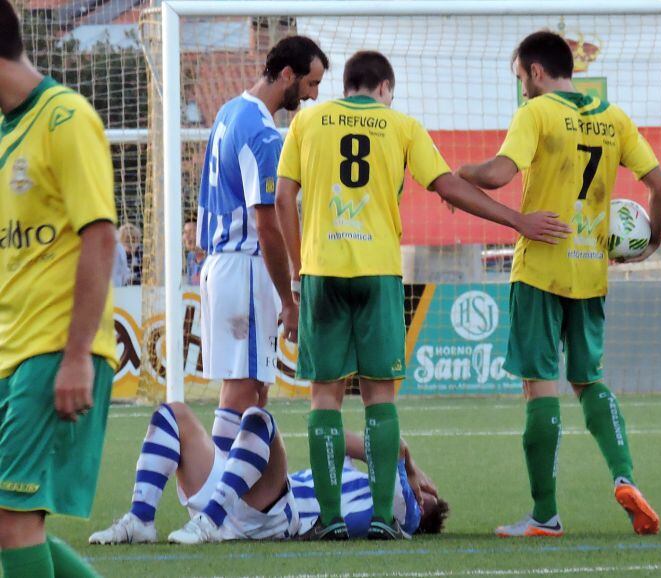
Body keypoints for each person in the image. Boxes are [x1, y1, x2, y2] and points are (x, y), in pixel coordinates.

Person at [275, 50, 569, 540]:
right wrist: (517, 221)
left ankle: (327, 522)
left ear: (347, 85)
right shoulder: (401, 125)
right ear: (385, 87)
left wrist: (297, 271)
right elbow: (449, 187)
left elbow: (284, 196)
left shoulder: (308, 122)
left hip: (322, 272)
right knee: (379, 398)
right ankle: (380, 519)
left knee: (324, 398)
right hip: (379, 273)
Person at [456, 31, 661, 538]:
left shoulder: (537, 113)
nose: (522, 91)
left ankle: (545, 515)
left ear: (534, 71)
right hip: (590, 270)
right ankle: (625, 476)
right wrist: (651, 243)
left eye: (520, 79)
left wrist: (459, 172)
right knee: (589, 380)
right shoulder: (613, 117)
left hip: (539, 269)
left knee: (538, 388)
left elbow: (498, 173)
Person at [0, 2, 118, 576]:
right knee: (6, 519)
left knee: (13, 519)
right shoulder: (7, 132)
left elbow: (100, 238)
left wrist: (76, 357)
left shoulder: (65, 118)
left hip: (53, 352)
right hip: (14, 354)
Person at [87, 403, 449, 544]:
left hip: (275, 514)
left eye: (428, 497)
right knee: (174, 414)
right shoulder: (354, 475)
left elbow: (392, 446)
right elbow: (341, 440)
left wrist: (411, 468)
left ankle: (209, 521)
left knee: (258, 419)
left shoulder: (403, 514)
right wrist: (399, 463)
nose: (425, 492)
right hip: (238, 491)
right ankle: (141, 520)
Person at [196, 36, 328, 417]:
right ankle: (222, 477)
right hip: (245, 268)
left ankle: (259, 478)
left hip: (222, 263)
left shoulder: (229, 111)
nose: (313, 96)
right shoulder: (263, 134)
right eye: (311, 84)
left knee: (251, 393)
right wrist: (289, 301)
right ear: (287, 74)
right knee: (243, 394)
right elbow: (267, 225)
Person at [183, 220, 205, 285]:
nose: (186, 237)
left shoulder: (211, 257)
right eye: (185, 232)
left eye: (191, 232)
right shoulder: (191, 256)